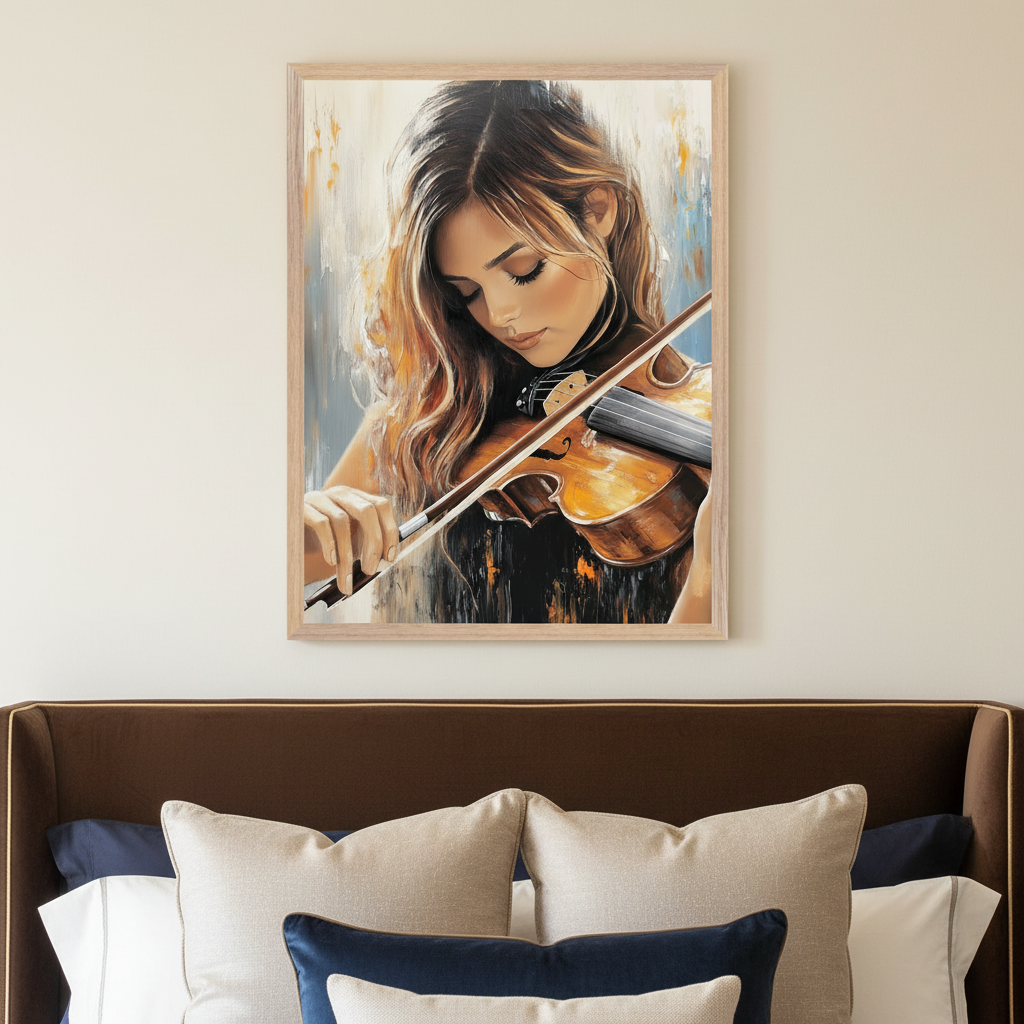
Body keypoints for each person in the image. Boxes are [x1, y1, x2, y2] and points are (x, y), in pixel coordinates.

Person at [302, 79, 712, 624]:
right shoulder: (427, 421)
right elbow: (277, 588)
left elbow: (683, 696)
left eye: (522, 270)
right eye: (467, 291)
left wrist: (711, 573)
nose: (499, 317)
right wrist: (299, 527)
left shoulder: (715, 411)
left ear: (598, 210)